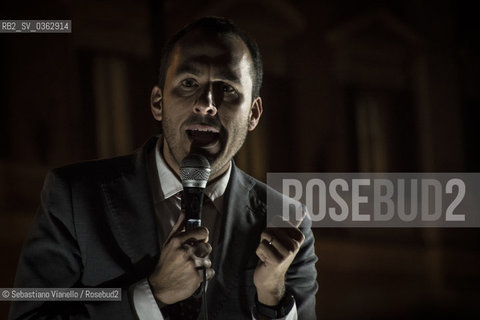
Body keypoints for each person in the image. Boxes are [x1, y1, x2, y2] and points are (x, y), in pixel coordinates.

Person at [9, 17, 318, 320]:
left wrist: (273, 300)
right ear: (158, 102)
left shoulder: (286, 218)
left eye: (226, 87)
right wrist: (152, 294)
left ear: (253, 113)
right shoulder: (74, 196)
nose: (206, 103)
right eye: (188, 83)